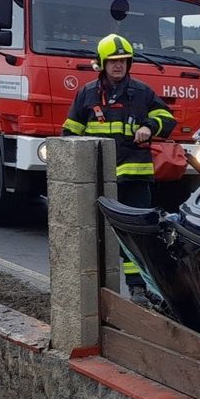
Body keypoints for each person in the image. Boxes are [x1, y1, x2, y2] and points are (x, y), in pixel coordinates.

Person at [63, 33, 175, 305]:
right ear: (102, 63)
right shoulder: (87, 94)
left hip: (134, 179)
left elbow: (167, 118)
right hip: (98, 179)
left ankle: (138, 290)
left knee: (136, 236)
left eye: (123, 61)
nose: (118, 65)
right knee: (94, 235)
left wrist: (150, 126)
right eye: (113, 61)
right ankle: (91, 289)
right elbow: (70, 133)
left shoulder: (142, 92)